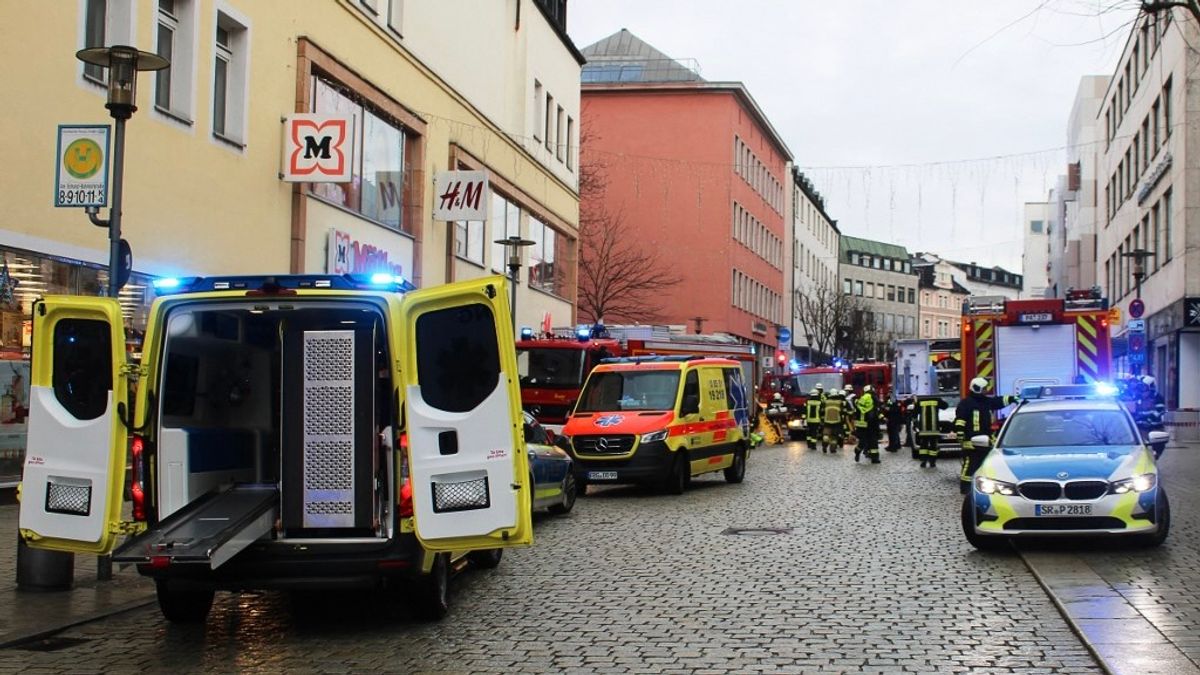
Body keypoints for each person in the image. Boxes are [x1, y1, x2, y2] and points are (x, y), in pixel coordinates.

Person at [955, 377, 1018, 493]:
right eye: (984, 389)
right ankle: (965, 488)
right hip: (971, 441)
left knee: (985, 464)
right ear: (977, 388)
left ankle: (983, 487)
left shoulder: (985, 401)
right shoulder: (966, 404)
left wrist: (1012, 399)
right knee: (970, 464)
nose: (986, 391)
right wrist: (960, 436)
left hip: (986, 440)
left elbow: (998, 401)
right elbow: (960, 421)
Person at [914, 395, 948, 468]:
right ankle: (932, 462)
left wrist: (915, 424)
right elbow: (945, 406)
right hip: (934, 428)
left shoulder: (920, 400)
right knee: (933, 446)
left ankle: (923, 461)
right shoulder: (936, 399)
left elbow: (914, 413)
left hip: (923, 428)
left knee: (923, 445)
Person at [855, 384, 881, 464]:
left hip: (862, 424)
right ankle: (875, 459)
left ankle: (857, 451)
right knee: (873, 441)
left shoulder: (862, 398)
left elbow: (859, 410)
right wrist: (882, 418)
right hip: (871, 423)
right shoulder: (873, 397)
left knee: (863, 441)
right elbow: (876, 411)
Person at [822, 389, 847, 453]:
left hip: (827, 421)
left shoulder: (826, 402)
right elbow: (843, 412)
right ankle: (833, 449)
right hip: (837, 422)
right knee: (834, 437)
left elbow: (822, 411)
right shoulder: (840, 402)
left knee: (826, 435)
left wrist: (822, 420)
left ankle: (824, 446)